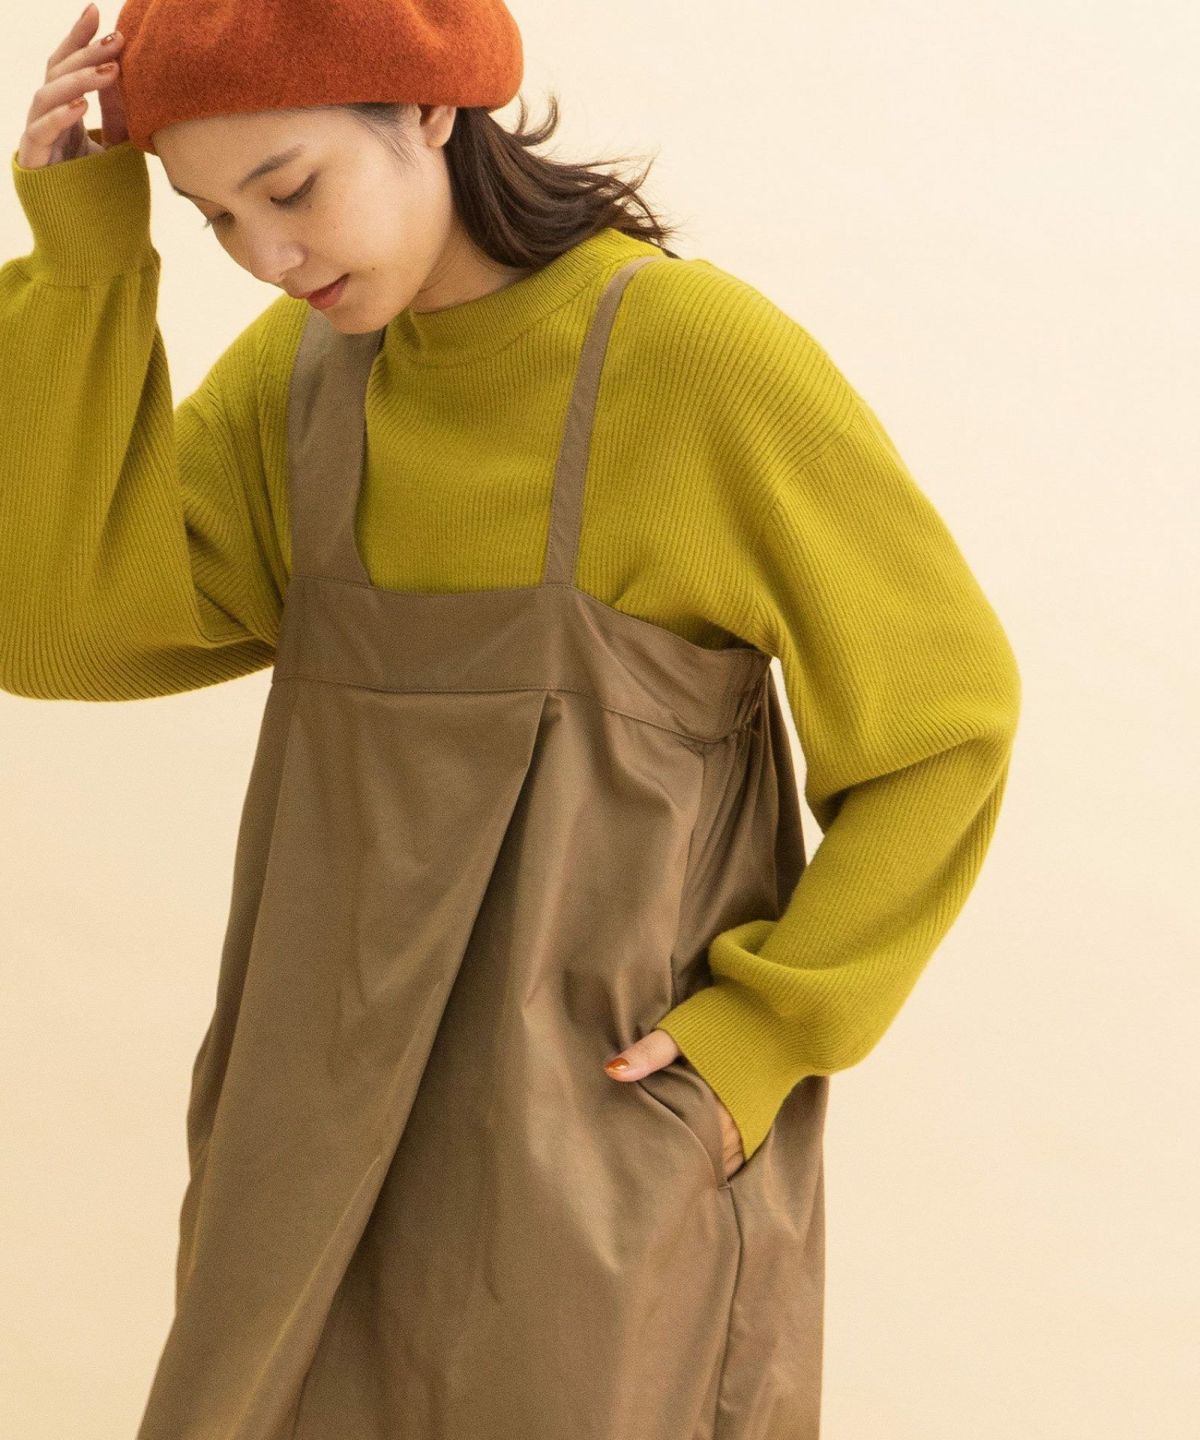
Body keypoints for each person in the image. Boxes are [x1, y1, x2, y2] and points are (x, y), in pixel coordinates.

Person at [1, 3, 1022, 1438]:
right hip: (305, 1146)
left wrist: (763, 1037)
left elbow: (944, 722)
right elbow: (55, 631)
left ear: (429, 108)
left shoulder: (692, 357)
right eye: (215, 217)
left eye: (291, 189)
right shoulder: (305, 386)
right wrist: (85, 259)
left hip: (594, 1143)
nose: (267, 257)